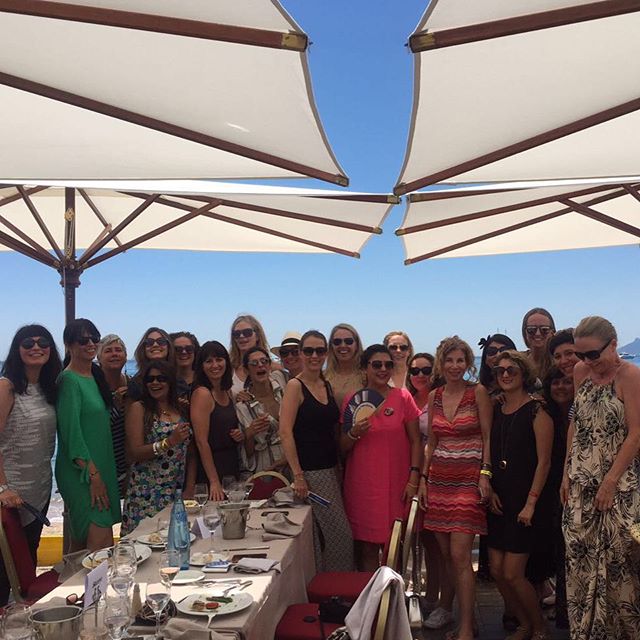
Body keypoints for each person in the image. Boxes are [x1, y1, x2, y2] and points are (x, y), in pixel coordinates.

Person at [561, 316, 640, 639]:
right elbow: (576, 424)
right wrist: (566, 472)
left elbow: (635, 435)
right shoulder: (582, 373)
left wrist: (609, 481)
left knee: (620, 571)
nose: (586, 362)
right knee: (579, 568)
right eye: (581, 355)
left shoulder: (631, 376)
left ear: (613, 344)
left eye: (593, 354)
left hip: (618, 489)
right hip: (580, 487)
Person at [418, 336, 492, 640]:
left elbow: (488, 437)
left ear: (468, 363)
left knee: (461, 555)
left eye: (460, 360)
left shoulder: (479, 393)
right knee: (448, 556)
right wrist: (423, 479)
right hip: (438, 482)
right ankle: (466, 619)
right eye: (449, 360)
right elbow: (431, 443)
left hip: (467, 481)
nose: (454, 366)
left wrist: (485, 475)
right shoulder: (434, 396)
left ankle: (465, 628)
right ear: (441, 362)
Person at [487, 350, 554, 640]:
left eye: (511, 370)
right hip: (498, 498)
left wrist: (531, 503)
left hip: (525, 501)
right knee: (497, 571)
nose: (504, 374)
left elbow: (545, 462)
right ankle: (524, 623)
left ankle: (539, 626)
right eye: (500, 370)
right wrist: (487, 486)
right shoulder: (495, 408)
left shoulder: (538, 411)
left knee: (514, 572)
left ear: (523, 374)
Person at [341, 344, 421, 571]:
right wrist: (354, 433)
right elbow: (342, 446)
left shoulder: (403, 397)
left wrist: (413, 478)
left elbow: (416, 440)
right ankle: (372, 602)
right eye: (377, 364)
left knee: (394, 546)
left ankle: (392, 601)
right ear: (365, 367)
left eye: (388, 364)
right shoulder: (352, 400)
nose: (383, 369)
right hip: (362, 485)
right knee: (366, 547)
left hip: (396, 484)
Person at [279, 330, 354, 572]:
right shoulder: (294, 386)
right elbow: (285, 432)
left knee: (321, 536)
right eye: (308, 350)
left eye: (320, 350)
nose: (314, 355)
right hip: (309, 473)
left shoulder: (326, 384)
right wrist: (298, 475)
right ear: (301, 353)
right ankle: (335, 590)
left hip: (331, 468)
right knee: (340, 536)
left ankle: (328, 591)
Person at [0, 325, 61, 606]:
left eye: (43, 342)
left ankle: (24, 621)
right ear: (17, 349)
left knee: (29, 559)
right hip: (10, 494)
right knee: (5, 568)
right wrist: (2, 487)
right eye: (28, 342)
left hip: (39, 489)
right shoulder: (6, 386)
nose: (37, 347)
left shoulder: (48, 388)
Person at [55, 319, 120, 551]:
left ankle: (71, 587)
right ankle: (92, 587)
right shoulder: (69, 380)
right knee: (100, 547)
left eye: (94, 338)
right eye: (83, 340)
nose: (91, 343)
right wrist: (94, 476)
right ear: (68, 344)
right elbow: (71, 435)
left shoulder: (94, 374)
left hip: (101, 464)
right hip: (82, 471)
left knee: (83, 546)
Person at [121, 360, 191, 535]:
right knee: (144, 545)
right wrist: (169, 442)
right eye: (150, 379)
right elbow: (133, 452)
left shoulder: (181, 409)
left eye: (161, 378)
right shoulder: (140, 408)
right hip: (146, 493)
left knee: (175, 542)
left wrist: (189, 489)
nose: (155, 383)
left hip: (175, 491)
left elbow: (192, 453)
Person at [407, 352, 449, 615]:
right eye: (415, 370)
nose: (420, 375)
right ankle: (420, 593)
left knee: (436, 542)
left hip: (438, 473)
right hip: (410, 471)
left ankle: (437, 598)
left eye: (425, 370)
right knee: (417, 537)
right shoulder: (405, 398)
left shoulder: (442, 397)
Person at [189, 341, 242, 500]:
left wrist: (238, 435)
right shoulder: (202, 394)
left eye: (219, 359)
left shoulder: (227, 392)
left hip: (231, 465)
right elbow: (201, 442)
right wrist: (214, 481)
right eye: (208, 361)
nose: (215, 365)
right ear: (201, 366)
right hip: (212, 469)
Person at [542, 366, 574, 629]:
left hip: (576, 489)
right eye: (555, 383)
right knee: (557, 550)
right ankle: (562, 607)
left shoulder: (580, 412)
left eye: (566, 382)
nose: (561, 387)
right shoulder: (544, 413)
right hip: (549, 490)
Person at [235, 346, 288, 474]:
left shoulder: (284, 388)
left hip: (291, 458)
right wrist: (249, 433)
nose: (260, 365)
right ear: (247, 370)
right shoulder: (243, 406)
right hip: (265, 467)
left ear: (270, 366)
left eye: (264, 361)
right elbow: (247, 454)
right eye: (254, 363)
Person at [97, 334, 129, 497]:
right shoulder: (94, 388)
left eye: (119, 350)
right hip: (102, 469)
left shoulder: (132, 384)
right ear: (99, 357)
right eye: (108, 351)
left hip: (130, 469)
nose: (114, 354)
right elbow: (94, 429)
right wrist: (115, 405)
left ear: (126, 356)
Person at [229, 315, 277, 396]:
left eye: (247, 332)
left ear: (257, 336)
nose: (241, 336)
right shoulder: (229, 370)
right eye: (236, 334)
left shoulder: (275, 369)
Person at [128, 327, 175, 403]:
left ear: (169, 347)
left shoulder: (178, 379)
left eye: (161, 341)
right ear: (143, 349)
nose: (155, 345)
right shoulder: (136, 383)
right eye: (149, 342)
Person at [324, 323, 364, 409]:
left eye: (348, 341)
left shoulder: (367, 376)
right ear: (331, 346)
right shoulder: (322, 377)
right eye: (337, 342)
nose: (343, 345)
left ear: (357, 345)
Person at [521, 308, 556, 380]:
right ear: (525, 333)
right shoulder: (518, 362)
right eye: (531, 330)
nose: (538, 334)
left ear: (552, 333)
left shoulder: (560, 361)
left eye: (544, 329)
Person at [170, 331, 199, 397]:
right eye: (178, 349)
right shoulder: (165, 382)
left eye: (189, 349)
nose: (184, 352)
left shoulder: (205, 378)